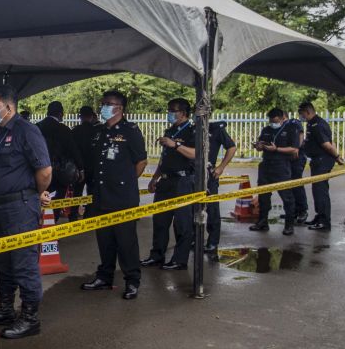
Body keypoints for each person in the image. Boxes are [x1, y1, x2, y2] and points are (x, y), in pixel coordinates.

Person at [0, 84, 52, 338]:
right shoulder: (0, 131)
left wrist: (36, 192)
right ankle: (6, 308)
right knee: (2, 261)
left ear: (9, 107)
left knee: (23, 262)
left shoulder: (26, 131)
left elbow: (45, 170)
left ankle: (29, 318)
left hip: (19, 206)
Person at [80, 91, 147, 299]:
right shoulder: (100, 131)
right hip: (101, 195)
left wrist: (125, 182)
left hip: (122, 197)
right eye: (103, 103)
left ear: (120, 108)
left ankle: (132, 280)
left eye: (109, 104)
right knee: (105, 240)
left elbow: (141, 162)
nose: (104, 107)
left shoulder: (130, 131)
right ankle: (104, 277)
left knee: (126, 242)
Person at [141, 98, 196, 271]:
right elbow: (164, 158)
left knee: (182, 223)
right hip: (165, 180)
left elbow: (195, 154)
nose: (170, 113)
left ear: (184, 113)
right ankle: (157, 255)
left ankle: (179, 260)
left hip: (183, 181)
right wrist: (155, 178)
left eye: (173, 110)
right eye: (169, 110)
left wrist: (176, 145)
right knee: (160, 221)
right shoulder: (170, 130)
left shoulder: (193, 131)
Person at [249, 108, 300, 235]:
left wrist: (276, 149)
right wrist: (259, 146)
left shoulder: (290, 130)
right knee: (263, 196)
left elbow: (294, 149)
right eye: (271, 121)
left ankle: (289, 225)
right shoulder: (266, 130)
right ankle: (262, 222)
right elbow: (261, 145)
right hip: (266, 166)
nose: (273, 123)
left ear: (282, 118)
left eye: (275, 121)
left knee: (287, 197)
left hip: (281, 166)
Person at [298, 102, 345, 231]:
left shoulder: (317, 124)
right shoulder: (312, 123)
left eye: (302, 113)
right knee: (317, 190)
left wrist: (337, 157)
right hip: (317, 160)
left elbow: (326, 144)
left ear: (308, 111)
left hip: (322, 161)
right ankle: (319, 217)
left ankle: (325, 222)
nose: (301, 116)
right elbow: (330, 140)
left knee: (321, 191)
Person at [37, 101, 82, 218]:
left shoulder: (36, 127)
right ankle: (53, 223)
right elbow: (74, 150)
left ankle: (39, 224)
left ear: (48, 112)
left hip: (39, 171)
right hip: (59, 173)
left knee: (39, 199)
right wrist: (81, 168)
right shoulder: (64, 130)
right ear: (61, 114)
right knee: (56, 201)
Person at [204, 120, 237, 252]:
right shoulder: (191, 129)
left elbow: (232, 147)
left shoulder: (216, 129)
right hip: (191, 174)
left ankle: (212, 242)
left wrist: (221, 167)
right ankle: (194, 239)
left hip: (208, 174)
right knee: (191, 211)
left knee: (212, 210)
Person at [70, 106, 100, 198]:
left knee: (77, 193)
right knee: (92, 192)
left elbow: (72, 150)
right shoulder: (98, 131)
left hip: (79, 168)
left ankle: (75, 211)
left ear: (80, 117)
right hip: (94, 168)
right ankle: (90, 211)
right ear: (92, 116)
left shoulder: (75, 131)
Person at [286, 115, 309, 224]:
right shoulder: (282, 127)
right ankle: (293, 210)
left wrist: (297, 148)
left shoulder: (293, 123)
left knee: (297, 183)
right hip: (288, 158)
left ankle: (302, 210)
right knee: (289, 185)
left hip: (297, 157)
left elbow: (300, 134)